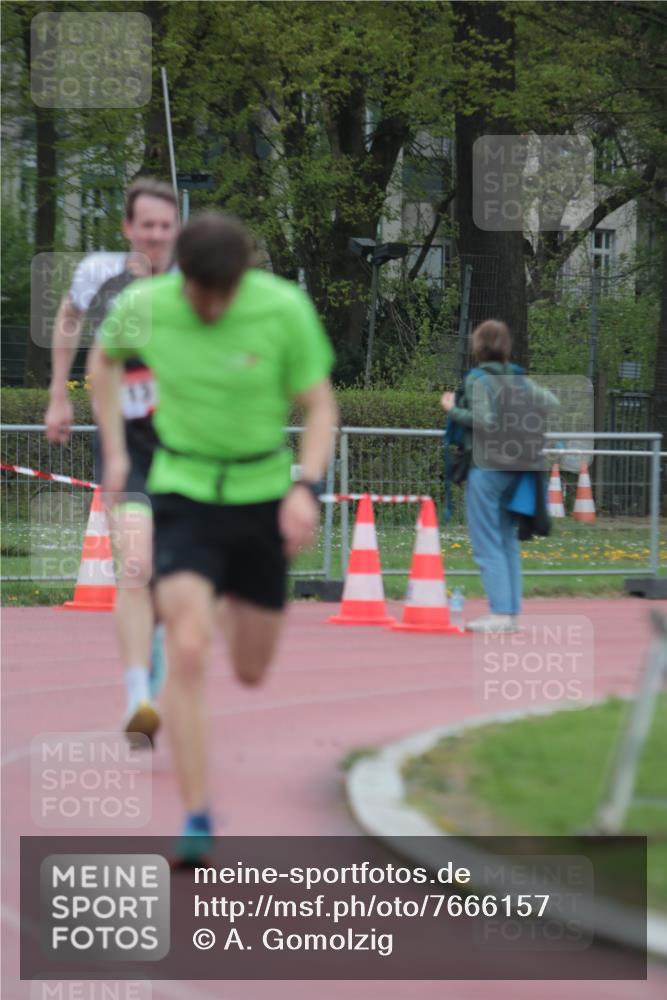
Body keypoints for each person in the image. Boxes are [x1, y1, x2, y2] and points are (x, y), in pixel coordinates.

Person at [91, 211, 338, 853]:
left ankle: (229, 594)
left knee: (252, 669)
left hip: (260, 497)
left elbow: (320, 406)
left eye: (221, 294)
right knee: (190, 649)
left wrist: (305, 488)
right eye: (199, 291)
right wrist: (116, 451)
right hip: (182, 492)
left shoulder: (282, 308)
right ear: (185, 279)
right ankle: (197, 816)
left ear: (241, 281)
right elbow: (102, 363)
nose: (209, 304)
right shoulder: (147, 304)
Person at [45, 177, 179, 742]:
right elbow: (69, 318)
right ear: (128, 228)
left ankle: (155, 671)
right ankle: (137, 698)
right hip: (123, 440)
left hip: (185, 442)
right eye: (146, 225)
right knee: (135, 566)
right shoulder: (99, 273)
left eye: (165, 227)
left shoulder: (192, 278)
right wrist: (58, 394)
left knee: (173, 582)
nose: (155, 236)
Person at [441, 319, 558, 633]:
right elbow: (551, 403)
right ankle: (509, 612)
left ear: (478, 346)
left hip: (486, 465)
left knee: (486, 540)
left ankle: (499, 613)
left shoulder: (477, 379)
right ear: (506, 347)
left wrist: (451, 409)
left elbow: (484, 420)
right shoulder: (519, 379)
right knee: (506, 539)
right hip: (519, 466)